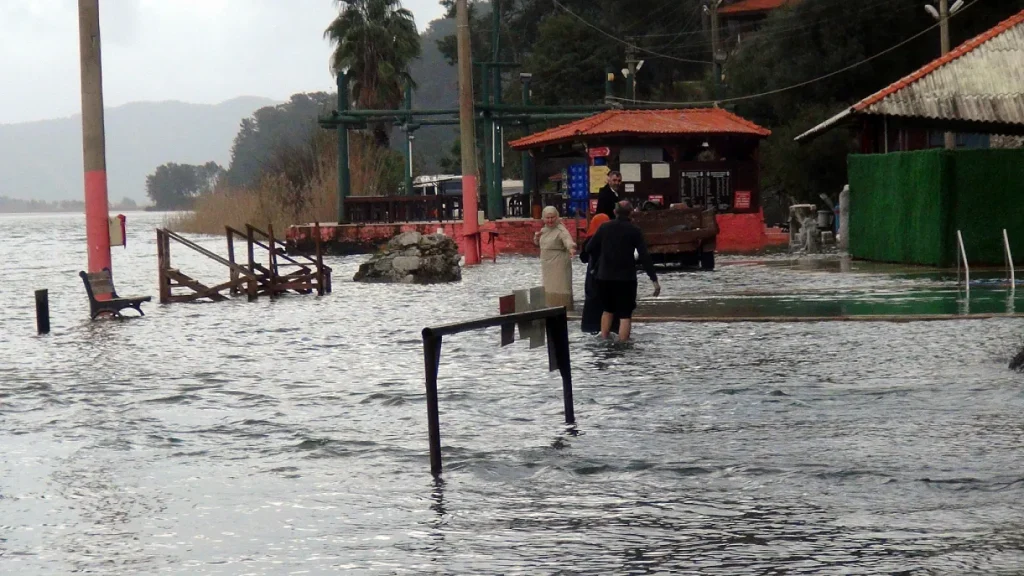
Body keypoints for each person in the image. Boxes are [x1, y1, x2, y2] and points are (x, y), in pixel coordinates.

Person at [585, 200, 661, 341]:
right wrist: (654, 280)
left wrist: (601, 258)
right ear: (631, 213)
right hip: (626, 278)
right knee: (625, 314)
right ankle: (623, 344)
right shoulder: (635, 230)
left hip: (604, 277)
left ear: (614, 212)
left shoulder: (604, 228)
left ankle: (604, 339)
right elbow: (644, 256)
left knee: (607, 310)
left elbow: (589, 248)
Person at [579, 213, 618, 334]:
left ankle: (591, 326)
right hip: (610, 275)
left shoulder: (590, 239)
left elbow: (583, 258)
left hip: (593, 275)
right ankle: (612, 327)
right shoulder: (613, 238)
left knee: (593, 301)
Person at [534, 205, 577, 310]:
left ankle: (564, 309)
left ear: (557, 217)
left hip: (559, 263)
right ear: (543, 218)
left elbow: (567, 240)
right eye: (547, 218)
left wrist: (571, 248)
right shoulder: (544, 230)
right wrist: (536, 237)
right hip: (547, 264)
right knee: (549, 287)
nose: (550, 220)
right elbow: (539, 244)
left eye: (552, 217)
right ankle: (550, 308)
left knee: (560, 287)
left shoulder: (561, 230)